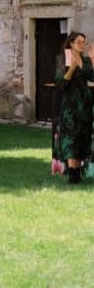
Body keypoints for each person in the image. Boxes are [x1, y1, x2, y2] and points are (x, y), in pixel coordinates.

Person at [54, 31, 94, 184]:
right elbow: (60, 83)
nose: (82, 44)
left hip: (85, 104)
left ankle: (77, 172)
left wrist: (93, 58)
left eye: (84, 42)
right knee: (71, 136)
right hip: (70, 105)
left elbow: (92, 77)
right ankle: (72, 174)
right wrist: (71, 68)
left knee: (82, 136)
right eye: (79, 41)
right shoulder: (63, 58)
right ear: (71, 43)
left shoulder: (85, 60)